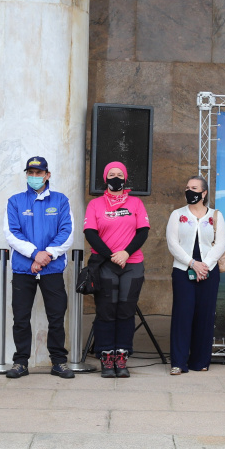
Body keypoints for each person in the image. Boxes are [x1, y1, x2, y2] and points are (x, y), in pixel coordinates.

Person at [3, 156, 75, 379]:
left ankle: (58, 362)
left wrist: (47, 255)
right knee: (21, 317)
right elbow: (11, 234)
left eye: (39, 173)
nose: (34, 177)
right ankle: (21, 362)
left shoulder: (61, 201)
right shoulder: (15, 201)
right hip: (23, 269)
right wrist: (35, 254)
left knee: (56, 316)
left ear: (47, 174)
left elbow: (67, 232)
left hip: (52, 269)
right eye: (30, 173)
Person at [84, 161, 149, 378]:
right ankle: (105, 356)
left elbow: (143, 232)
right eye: (111, 174)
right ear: (105, 178)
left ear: (125, 178)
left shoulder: (136, 203)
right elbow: (91, 233)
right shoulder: (95, 204)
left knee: (125, 310)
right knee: (106, 311)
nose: (115, 177)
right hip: (105, 264)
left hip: (131, 264)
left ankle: (121, 356)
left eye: (119, 174)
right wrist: (112, 255)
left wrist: (126, 253)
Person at [166, 176, 225, 374]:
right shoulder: (177, 215)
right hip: (183, 270)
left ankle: (200, 361)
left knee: (205, 316)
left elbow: (221, 244)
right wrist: (192, 263)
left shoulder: (216, 215)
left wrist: (205, 266)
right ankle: (178, 362)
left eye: (194, 188)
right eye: (187, 188)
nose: (189, 191)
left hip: (208, 271)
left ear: (204, 193)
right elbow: (172, 243)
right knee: (182, 315)